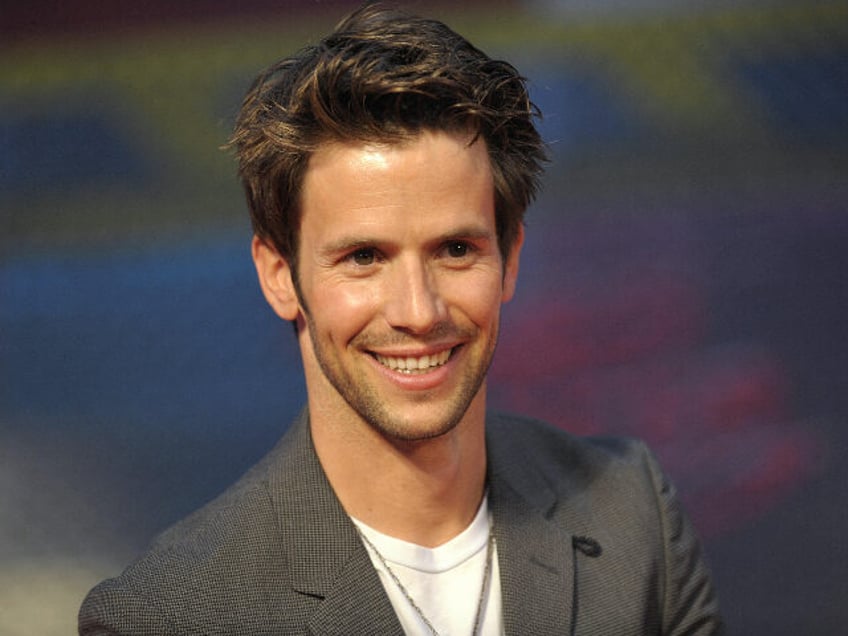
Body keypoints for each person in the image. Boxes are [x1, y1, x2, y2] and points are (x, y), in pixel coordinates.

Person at [79, 4, 722, 634]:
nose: (419, 311)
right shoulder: (171, 617)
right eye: (364, 257)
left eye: (456, 250)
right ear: (280, 275)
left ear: (511, 257)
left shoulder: (629, 511)